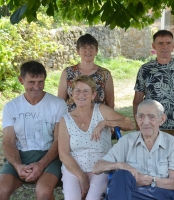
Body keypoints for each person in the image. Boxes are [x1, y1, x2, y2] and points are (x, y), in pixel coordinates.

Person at [58, 75, 134, 200]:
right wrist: (81, 177)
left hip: (101, 167)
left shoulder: (101, 110)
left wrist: (105, 123)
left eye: (86, 91)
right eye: (77, 90)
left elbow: (129, 124)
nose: (81, 94)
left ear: (93, 95)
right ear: (71, 94)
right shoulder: (65, 120)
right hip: (73, 170)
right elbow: (64, 154)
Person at [0, 61, 67, 200]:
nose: (36, 87)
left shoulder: (57, 104)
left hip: (49, 157)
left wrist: (41, 164)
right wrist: (18, 166)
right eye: (31, 82)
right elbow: (8, 141)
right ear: (21, 80)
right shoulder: (11, 107)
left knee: (43, 192)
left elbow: (59, 140)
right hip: (20, 156)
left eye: (40, 82)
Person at [93, 99, 174, 200]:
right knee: (122, 174)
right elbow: (96, 168)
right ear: (136, 119)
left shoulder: (172, 143)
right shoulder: (127, 141)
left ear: (162, 119)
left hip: (158, 195)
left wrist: (150, 180)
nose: (145, 122)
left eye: (151, 117)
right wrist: (121, 165)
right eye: (141, 117)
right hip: (130, 194)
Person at [133, 30, 174, 136]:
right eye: (160, 43)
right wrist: (140, 128)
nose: (164, 46)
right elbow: (137, 101)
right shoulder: (145, 69)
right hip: (150, 126)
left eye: (168, 43)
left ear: (173, 46)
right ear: (154, 46)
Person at [58, 33, 114, 112]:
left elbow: (110, 104)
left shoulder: (105, 74)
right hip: (72, 119)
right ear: (78, 51)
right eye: (84, 47)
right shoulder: (67, 72)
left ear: (96, 51)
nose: (88, 50)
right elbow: (60, 102)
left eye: (91, 47)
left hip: (98, 121)